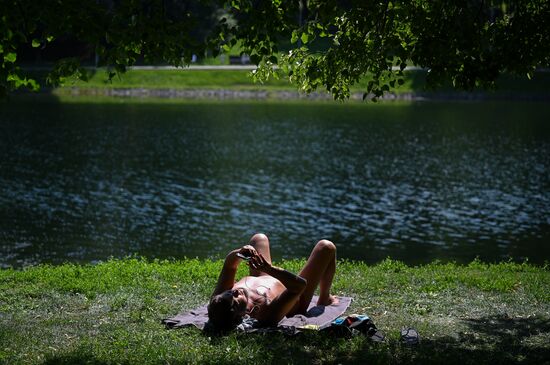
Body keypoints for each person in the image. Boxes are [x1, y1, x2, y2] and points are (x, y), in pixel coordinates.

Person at [207, 233, 339, 330]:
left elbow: (230, 265)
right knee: (327, 247)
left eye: (230, 292)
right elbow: (299, 286)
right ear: (240, 316)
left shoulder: (219, 299)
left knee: (259, 238)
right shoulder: (265, 313)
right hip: (297, 294)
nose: (234, 291)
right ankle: (324, 298)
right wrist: (268, 269)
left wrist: (240, 253)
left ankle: (258, 260)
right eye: (236, 298)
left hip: (262, 277)